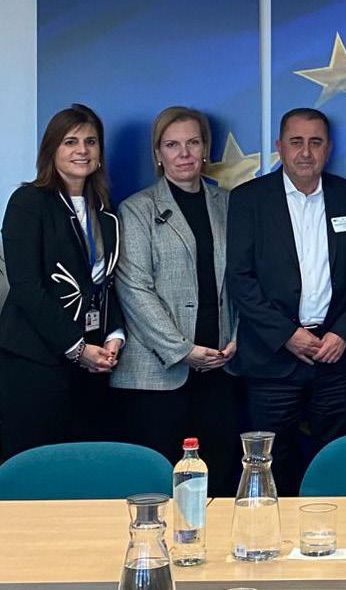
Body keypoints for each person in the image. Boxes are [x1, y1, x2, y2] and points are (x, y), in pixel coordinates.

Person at [226, 108, 346, 495]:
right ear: (280, 147)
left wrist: (342, 333)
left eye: (315, 142)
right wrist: (286, 335)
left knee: (336, 462)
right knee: (273, 466)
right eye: (296, 142)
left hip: (334, 355)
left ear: (328, 148)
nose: (305, 152)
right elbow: (240, 278)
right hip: (272, 359)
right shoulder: (249, 199)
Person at [111, 107, 239, 494]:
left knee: (219, 481)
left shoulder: (229, 204)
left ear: (205, 149)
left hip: (221, 367)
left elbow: (246, 279)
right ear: (158, 154)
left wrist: (237, 338)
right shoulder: (136, 209)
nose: (183, 153)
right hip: (157, 375)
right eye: (172, 145)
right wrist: (183, 350)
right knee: (158, 486)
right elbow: (134, 289)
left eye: (192, 143)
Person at [0, 104, 125, 460]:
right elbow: (26, 287)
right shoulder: (28, 202)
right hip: (34, 363)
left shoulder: (105, 210)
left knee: (84, 468)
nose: (82, 150)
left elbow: (107, 283)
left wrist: (114, 335)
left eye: (91, 141)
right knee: (35, 468)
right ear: (51, 149)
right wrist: (76, 348)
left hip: (92, 365)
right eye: (70, 142)